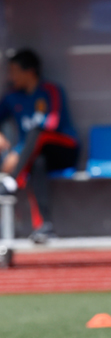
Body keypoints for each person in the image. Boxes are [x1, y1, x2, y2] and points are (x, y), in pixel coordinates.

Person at [0, 49, 79, 243]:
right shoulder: (12, 97)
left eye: (14, 71)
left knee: (38, 134)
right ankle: (44, 226)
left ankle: (10, 181)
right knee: (37, 164)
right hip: (34, 156)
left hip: (63, 148)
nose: (11, 76)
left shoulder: (51, 90)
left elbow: (50, 125)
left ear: (30, 71)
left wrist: (17, 154)